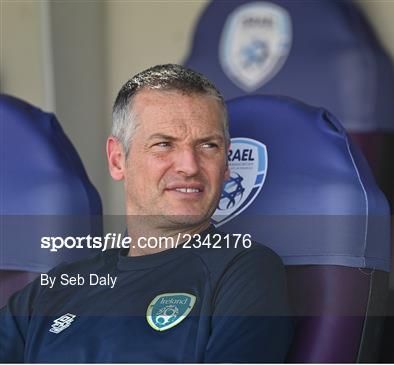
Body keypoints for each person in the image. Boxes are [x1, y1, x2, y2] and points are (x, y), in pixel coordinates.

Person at [0, 64, 293, 362]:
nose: (189, 166)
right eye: (164, 144)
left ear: (227, 164)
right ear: (117, 160)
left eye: (208, 145)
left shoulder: (244, 270)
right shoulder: (60, 285)